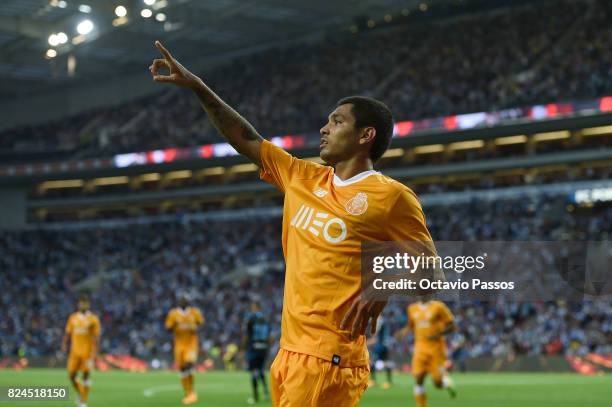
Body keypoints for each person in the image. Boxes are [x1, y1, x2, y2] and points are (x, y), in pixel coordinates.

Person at [150, 40, 434, 406]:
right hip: (289, 353)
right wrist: (198, 87)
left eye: (337, 121)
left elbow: (431, 273)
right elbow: (247, 138)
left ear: (366, 136)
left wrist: (382, 285)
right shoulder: (302, 176)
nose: (324, 128)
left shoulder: (392, 196)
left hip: (329, 358)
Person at [396, 300, 457, 407]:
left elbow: (452, 326)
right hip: (420, 348)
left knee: (438, 382)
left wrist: (437, 334)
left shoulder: (439, 307)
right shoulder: (412, 308)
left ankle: (447, 383)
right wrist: (402, 333)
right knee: (419, 377)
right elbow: (411, 326)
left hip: (436, 349)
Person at [165, 294, 204, 405]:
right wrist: (174, 325)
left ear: (188, 302)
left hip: (191, 344)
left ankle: (192, 392)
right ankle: (188, 393)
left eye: (185, 300)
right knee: (182, 370)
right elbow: (167, 328)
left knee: (189, 364)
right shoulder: (173, 314)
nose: (183, 301)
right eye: (181, 300)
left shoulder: (194, 312)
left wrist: (195, 328)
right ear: (179, 302)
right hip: (179, 345)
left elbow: (201, 323)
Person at [62, 295, 100, 407]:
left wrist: (96, 351)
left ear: (88, 304)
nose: (83, 305)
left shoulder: (93, 319)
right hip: (74, 352)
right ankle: (80, 393)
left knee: (86, 376)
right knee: (71, 376)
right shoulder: (73, 318)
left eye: (85, 303)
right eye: (81, 303)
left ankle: (83, 402)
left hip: (87, 353)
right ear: (78, 304)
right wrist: (64, 344)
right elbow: (68, 333)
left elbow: (96, 336)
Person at [243, 300, 271, 404]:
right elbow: (269, 336)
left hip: (253, 347)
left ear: (254, 307)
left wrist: (243, 348)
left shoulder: (251, 318)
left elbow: (247, 335)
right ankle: (266, 393)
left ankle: (255, 397)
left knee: (254, 371)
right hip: (263, 348)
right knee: (261, 370)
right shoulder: (265, 318)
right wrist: (267, 347)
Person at [368, 314, 394, 389]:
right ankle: (388, 381)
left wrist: (366, 342)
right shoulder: (383, 321)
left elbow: (376, 336)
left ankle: (373, 381)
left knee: (372, 361)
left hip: (380, 346)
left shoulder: (379, 321)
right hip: (384, 345)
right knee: (385, 362)